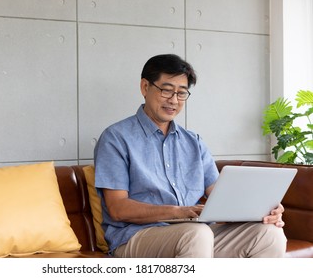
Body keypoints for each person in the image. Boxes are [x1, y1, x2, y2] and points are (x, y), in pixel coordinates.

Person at [94, 54, 287, 258]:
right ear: (145, 87)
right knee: (197, 234)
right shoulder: (115, 138)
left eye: (182, 93)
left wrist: (263, 209)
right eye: (166, 91)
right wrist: (178, 212)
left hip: (196, 234)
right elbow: (118, 209)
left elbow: (222, 195)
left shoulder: (193, 142)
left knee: (269, 234)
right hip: (136, 237)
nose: (174, 101)